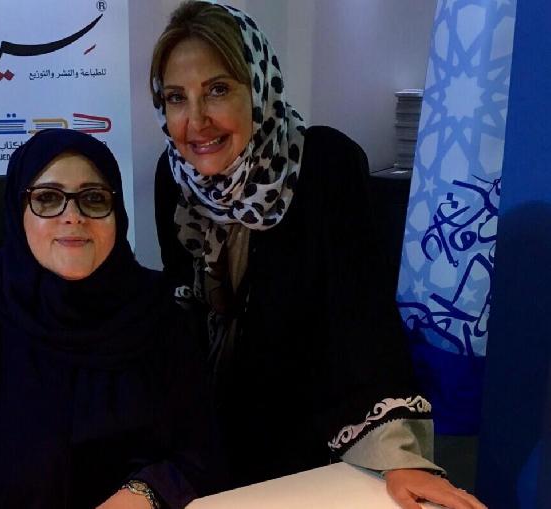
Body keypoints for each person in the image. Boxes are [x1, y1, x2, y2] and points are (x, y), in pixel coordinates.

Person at [150, 2, 486, 508]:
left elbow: (360, 317)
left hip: (304, 449)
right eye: (177, 97)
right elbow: (182, 315)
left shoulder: (323, 165)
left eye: (217, 89)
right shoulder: (173, 179)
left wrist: (398, 457)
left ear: (259, 86)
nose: (196, 120)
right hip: (207, 447)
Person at [0, 129, 217, 509]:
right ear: (17, 213)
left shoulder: (159, 315)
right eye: (48, 198)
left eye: (93, 198)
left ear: (117, 214)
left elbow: (204, 452)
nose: (73, 216)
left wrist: (147, 492)